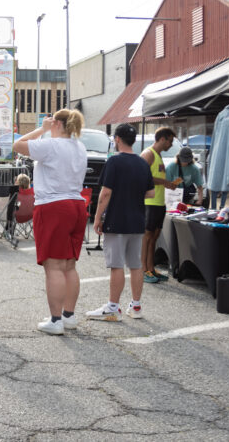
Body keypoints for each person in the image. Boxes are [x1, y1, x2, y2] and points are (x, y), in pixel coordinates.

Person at [12, 109, 89, 336]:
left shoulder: (51, 145)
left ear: (56, 123)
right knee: (69, 265)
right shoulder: (80, 146)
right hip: (76, 204)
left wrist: (41, 129)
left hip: (53, 206)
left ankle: (55, 320)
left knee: (53, 266)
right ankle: (68, 316)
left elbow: (17, 145)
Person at [86, 124, 154, 321]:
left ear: (117, 139)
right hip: (137, 220)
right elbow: (150, 193)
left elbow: (105, 193)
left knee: (117, 265)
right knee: (135, 265)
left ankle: (113, 307)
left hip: (117, 219)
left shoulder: (114, 161)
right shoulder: (142, 163)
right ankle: (136, 306)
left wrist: (97, 217)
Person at [141, 127, 176, 283]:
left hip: (159, 202)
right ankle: (143, 270)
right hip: (149, 202)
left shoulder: (158, 155)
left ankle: (151, 268)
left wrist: (167, 184)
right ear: (162, 139)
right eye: (170, 141)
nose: (171, 144)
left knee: (154, 237)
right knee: (147, 237)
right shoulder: (148, 154)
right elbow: (142, 176)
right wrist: (164, 182)